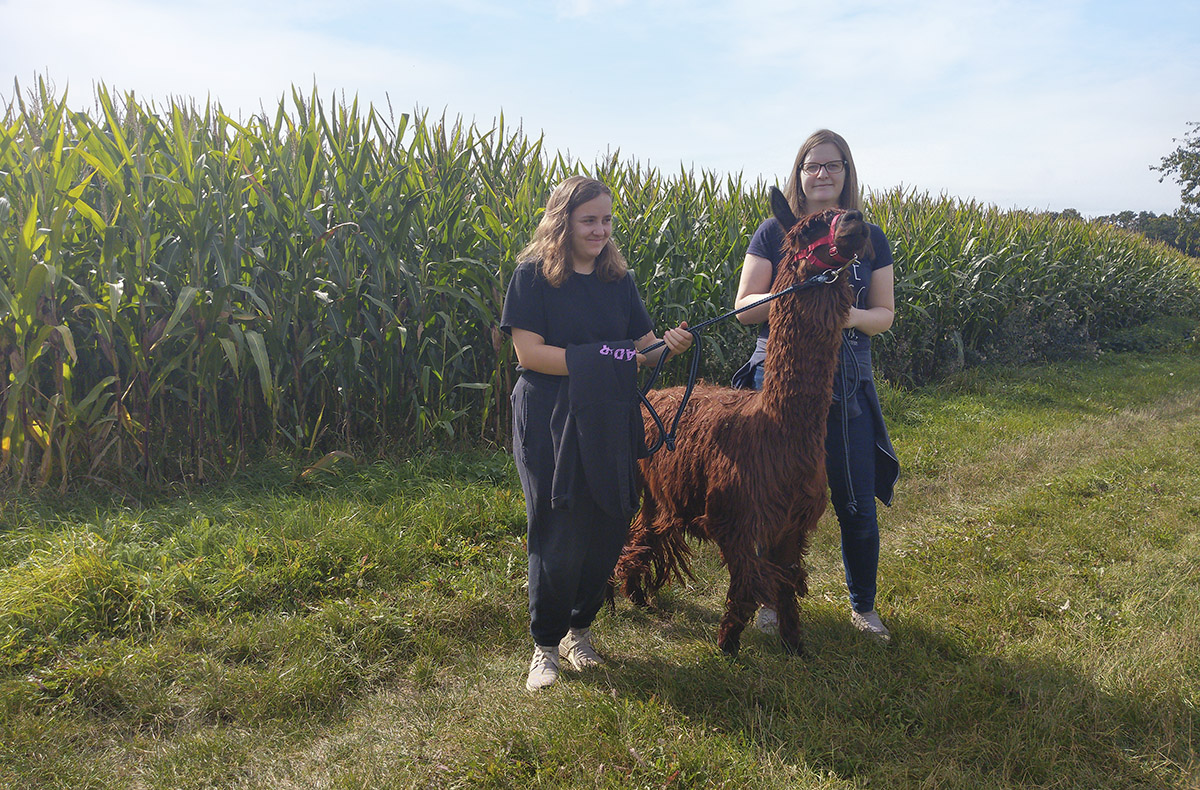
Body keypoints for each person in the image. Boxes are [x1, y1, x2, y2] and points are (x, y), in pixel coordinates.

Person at [501, 175, 693, 690]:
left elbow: (643, 348)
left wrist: (668, 346)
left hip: (609, 413)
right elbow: (529, 354)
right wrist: (611, 356)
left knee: (609, 523)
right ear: (561, 221)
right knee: (558, 527)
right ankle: (545, 646)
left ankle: (579, 632)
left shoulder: (618, 280)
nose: (599, 230)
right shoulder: (532, 277)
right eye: (588, 220)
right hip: (549, 413)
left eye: (606, 220)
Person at [732, 130, 900, 643]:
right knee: (771, 496)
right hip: (780, 373)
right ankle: (768, 599)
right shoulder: (774, 232)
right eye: (813, 165)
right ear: (799, 174)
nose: (822, 174)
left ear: (847, 173)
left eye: (833, 165)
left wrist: (844, 314)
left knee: (855, 501)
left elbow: (884, 314)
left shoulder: (867, 237)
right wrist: (796, 296)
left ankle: (863, 606)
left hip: (846, 375)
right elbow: (744, 307)